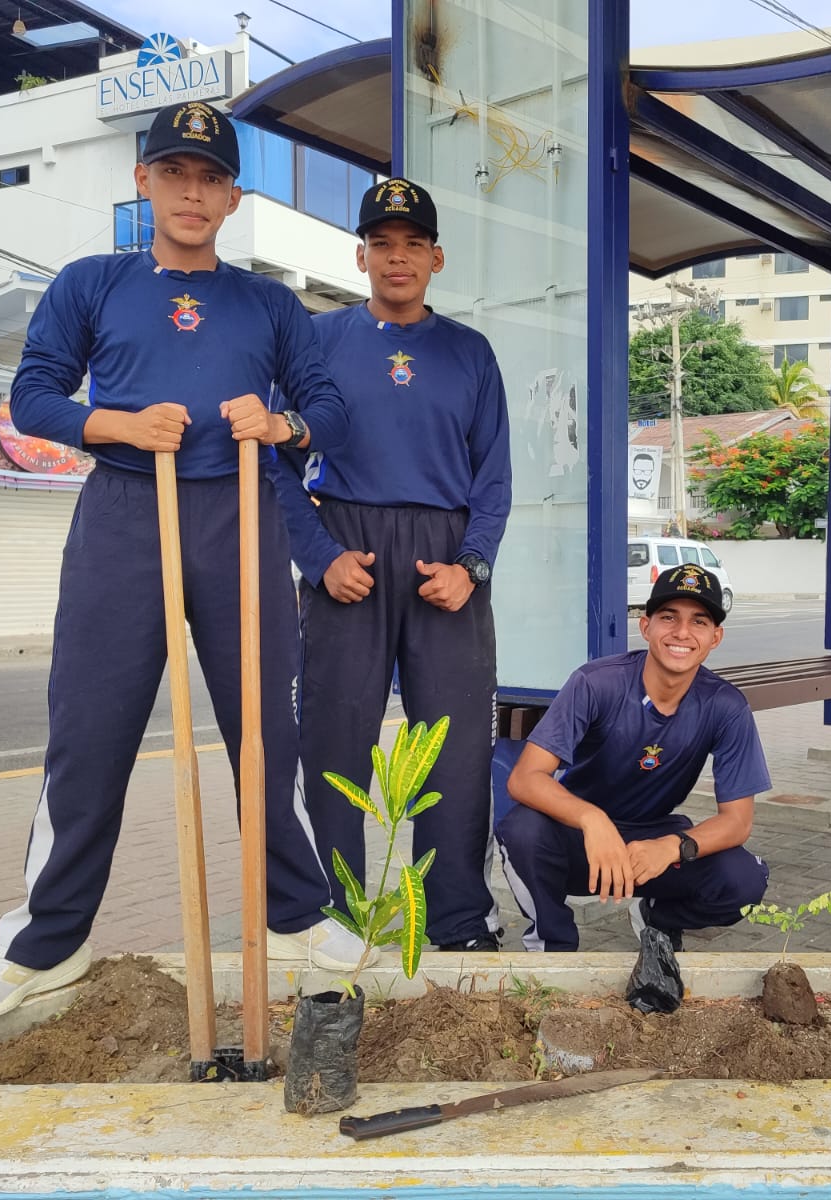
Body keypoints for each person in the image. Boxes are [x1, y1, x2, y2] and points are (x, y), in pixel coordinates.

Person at [0, 102, 362, 1026]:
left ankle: (292, 917)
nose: (192, 192)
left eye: (211, 178)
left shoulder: (268, 303)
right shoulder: (93, 283)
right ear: (144, 181)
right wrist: (116, 423)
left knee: (266, 731)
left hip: (240, 513)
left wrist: (282, 425)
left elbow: (328, 407)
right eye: (175, 173)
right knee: (86, 734)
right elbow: (35, 394)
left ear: (233, 197)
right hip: (127, 510)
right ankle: (44, 943)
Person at [272, 178, 510, 952]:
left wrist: (469, 567)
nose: (397, 257)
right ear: (361, 254)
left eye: (413, 245)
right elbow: (274, 460)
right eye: (382, 244)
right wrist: (318, 557)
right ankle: (338, 920)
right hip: (348, 549)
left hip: (443, 562)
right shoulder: (318, 342)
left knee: (455, 741)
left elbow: (495, 479)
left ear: (436, 258)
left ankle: (455, 918)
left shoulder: (471, 353)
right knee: (335, 740)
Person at [497, 564, 771, 952]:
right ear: (645, 628)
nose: (681, 633)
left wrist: (673, 847)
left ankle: (657, 917)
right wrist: (593, 820)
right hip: (580, 841)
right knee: (522, 829)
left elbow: (737, 821)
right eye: (668, 617)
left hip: (654, 839)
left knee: (744, 879)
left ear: (715, 637)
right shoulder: (596, 683)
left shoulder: (725, 706)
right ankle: (551, 948)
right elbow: (524, 778)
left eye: (699, 621)